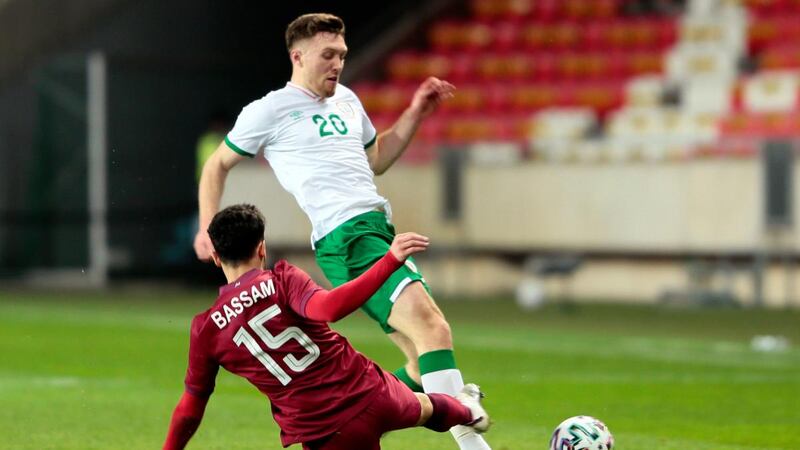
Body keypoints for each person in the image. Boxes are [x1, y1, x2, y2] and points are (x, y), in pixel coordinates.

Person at [193, 13, 491, 450]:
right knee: (433, 328)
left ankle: (353, 416)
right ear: (297, 56)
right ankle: (473, 442)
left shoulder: (347, 99)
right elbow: (216, 164)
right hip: (347, 236)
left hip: (373, 229)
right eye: (327, 55)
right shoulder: (270, 110)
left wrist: (414, 113)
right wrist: (207, 228)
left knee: (417, 360)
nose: (337, 64)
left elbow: (377, 158)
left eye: (343, 55)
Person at [164, 204, 490, 450]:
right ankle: (467, 410)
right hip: (374, 391)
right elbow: (330, 308)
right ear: (261, 247)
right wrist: (389, 261)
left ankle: (465, 409)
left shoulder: (206, 329)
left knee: (421, 409)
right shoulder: (283, 279)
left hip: (327, 429)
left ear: (216, 257)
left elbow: (190, 409)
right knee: (426, 407)